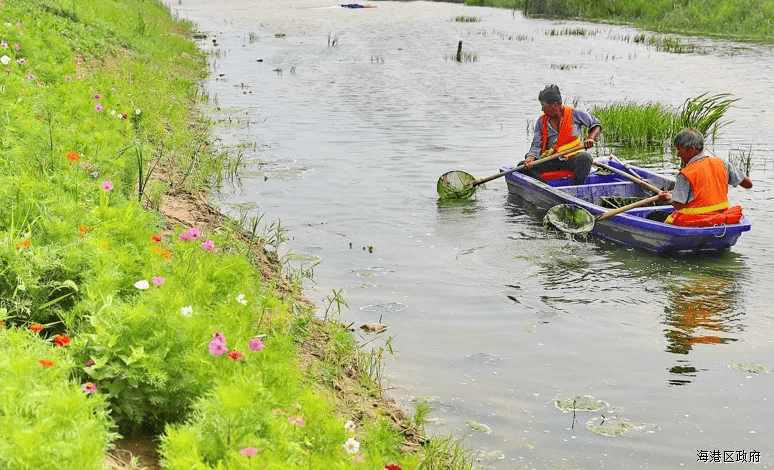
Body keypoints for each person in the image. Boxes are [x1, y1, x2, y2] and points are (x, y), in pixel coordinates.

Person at [651, 129, 753, 226]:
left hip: (695, 222)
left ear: (692, 149)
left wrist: (668, 198)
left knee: (654, 215)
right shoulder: (722, 163)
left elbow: (678, 205)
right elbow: (748, 184)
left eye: (679, 149)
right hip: (719, 219)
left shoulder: (686, 174)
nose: (677, 155)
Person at [521, 84, 602, 186]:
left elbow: (596, 125)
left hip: (572, 158)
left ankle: (576, 188)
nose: (542, 109)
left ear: (554, 105)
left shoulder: (575, 114)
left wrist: (590, 138)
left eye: (543, 105)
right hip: (552, 160)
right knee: (522, 166)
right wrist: (531, 158)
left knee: (586, 158)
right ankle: (545, 189)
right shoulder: (541, 121)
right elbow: (536, 145)